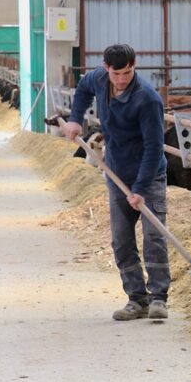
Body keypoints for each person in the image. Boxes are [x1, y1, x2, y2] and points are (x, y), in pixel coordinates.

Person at [64, 44, 171, 321]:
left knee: (154, 237)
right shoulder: (97, 79)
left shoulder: (147, 99)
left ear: (134, 65)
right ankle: (137, 300)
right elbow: (83, 90)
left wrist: (139, 190)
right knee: (121, 241)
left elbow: (153, 148)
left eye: (127, 72)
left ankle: (159, 297)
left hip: (149, 175)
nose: (122, 79)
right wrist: (75, 120)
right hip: (116, 172)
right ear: (105, 67)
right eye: (116, 73)